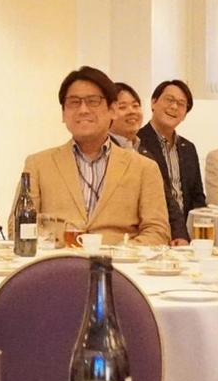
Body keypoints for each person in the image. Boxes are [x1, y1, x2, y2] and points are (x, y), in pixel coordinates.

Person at [22, 66, 171, 246]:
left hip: (120, 261)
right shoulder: (38, 165)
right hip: (58, 260)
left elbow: (157, 232)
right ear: (63, 113)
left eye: (93, 101)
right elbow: (20, 227)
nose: (83, 110)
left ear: (113, 109)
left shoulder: (144, 168)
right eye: (74, 102)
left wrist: (119, 253)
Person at [136, 80, 205, 244]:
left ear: (185, 114)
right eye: (169, 100)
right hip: (152, 233)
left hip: (186, 238)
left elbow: (197, 198)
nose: (174, 107)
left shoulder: (188, 148)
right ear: (153, 102)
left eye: (181, 104)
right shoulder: (138, 143)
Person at [108, 82, 143, 153]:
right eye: (122, 107)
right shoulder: (104, 150)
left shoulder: (145, 152)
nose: (132, 111)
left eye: (135, 106)